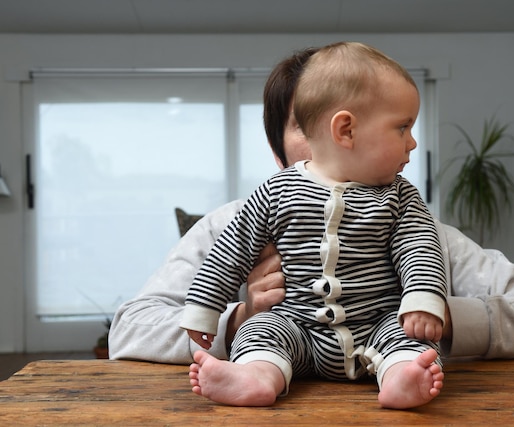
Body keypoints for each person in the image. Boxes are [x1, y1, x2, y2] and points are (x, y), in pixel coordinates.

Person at [108, 45, 514, 370]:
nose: (336, 140)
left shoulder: (413, 226)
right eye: (305, 125)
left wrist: (431, 310)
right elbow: (127, 331)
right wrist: (237, 320)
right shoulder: (227, 225)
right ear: (278, 151)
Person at [180, 41, 447, 409]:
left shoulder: (400, 196)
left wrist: (423, 300)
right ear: (346, 130)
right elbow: (232, 251)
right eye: (402, 127)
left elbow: (419, 246)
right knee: (260, 329)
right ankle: (256, 376)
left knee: (409, 336)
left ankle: (401, 374)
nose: (413, 142)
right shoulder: (276, 192)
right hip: (299, 329)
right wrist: (204, 309)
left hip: (377, 325)